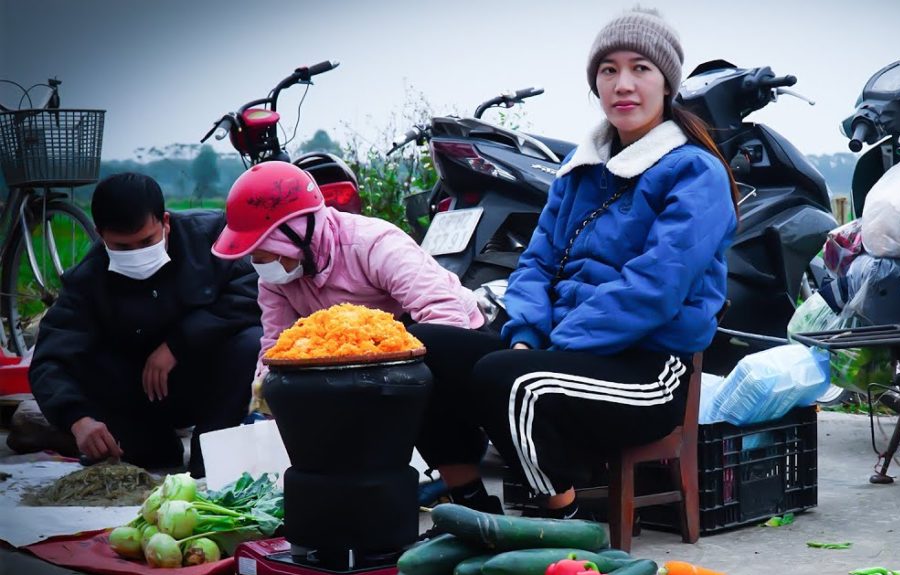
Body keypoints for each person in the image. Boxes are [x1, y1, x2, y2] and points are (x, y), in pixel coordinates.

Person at [413, 7, 739, 518]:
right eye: (608, 70)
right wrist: (525, 332)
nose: (622, 84)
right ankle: (471, 508)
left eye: (640, 68)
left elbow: (654, 288)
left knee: (509, 378)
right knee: (420, 350)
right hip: (564, 351)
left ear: (667, 83)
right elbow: (536, 263)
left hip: (648, 370)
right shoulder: (580, 171)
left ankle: (557, 515)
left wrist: (548, 346)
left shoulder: (695, 173)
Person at [29, 172, 262, 476]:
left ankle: (211, 451)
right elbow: (49, 360)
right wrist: (78, 419)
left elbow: (252, 292)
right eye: (123, 248)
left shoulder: (210, 235)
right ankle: (151, 446)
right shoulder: (87, 281)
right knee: (148, 458)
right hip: (139, 397)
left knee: (250, 341)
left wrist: (178, 343)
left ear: (165, 222)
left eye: (147, 241)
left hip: (209, 382)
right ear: (100, 234)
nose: (137, 254)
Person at [209, 160, 484, 400]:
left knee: (427, 342)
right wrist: (264, 391)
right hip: (367, 363)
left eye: (265, 251)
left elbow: (445, 317)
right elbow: (278, 345)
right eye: (254, 256)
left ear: (299, 233)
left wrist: (392, 383)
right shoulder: (276, 277)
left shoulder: (373, 244)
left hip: (447, 339)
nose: (261, 264)